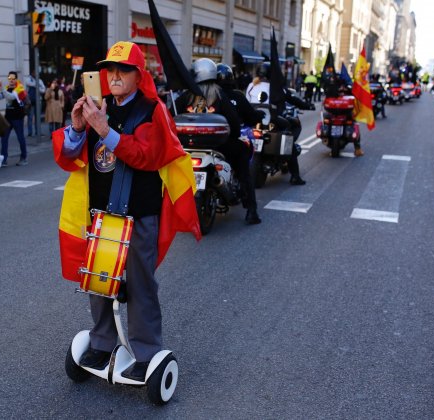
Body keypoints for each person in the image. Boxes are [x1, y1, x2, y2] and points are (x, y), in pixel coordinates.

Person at [53, 41, 200, 381]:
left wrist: (104, 129)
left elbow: (147, 156)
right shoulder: (95, 107)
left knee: (139, 285)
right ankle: (103, 341)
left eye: (124, 70)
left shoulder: (152, 110)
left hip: (139, 215)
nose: (115, 76)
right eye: (110, 70)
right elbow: (69, 157)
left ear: (138, 75)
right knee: (97, 282)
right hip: (100, 214)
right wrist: (78, 127)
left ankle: (146, 351)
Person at [176, 59, 262, 224]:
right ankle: (251, 210)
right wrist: (235, 135)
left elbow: (169, 115)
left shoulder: (186, 96)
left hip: (187, 146)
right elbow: (234, 123)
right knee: (243, 163)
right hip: (219, 146)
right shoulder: (220, 95)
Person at [245, 65, 312, 185]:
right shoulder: (275, 87)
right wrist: (307, 105)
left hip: (253, 120)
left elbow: (247, 102)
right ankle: (295, 176)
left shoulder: (251, 85)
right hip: (272, 120)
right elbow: (292, 99)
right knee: (289, 135)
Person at [323, 72, 364, 156]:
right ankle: (357, 148)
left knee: (354, 126)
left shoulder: (346, 88)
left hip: (344, 114)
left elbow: (354, 97)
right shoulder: (332, 88)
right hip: (333, 113)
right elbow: (326, 99)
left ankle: (357, 148)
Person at [0, 71, 28, 166]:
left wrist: (2, 90)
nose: (11, 80)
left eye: (13, 79)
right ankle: (3, 159)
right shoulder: (6, 88)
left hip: (18, 117)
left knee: (20, 138)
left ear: (16, 79)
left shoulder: (20, 88)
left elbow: (10, 97)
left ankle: (24, 157)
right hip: (8, 118)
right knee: (4, 138)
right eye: (9, 78)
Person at [24, 70, 46, 136]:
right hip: (30, 101)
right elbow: (29, 84)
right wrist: (38, 86)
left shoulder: (40, 80)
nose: (35, 74)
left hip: (38, 101)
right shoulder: (28, 79)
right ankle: (30, 132)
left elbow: (43, 90)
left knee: (38, 117)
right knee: (30, 117)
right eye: (34, 73)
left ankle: (37, 131)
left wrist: (37, 88)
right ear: (31, 73)